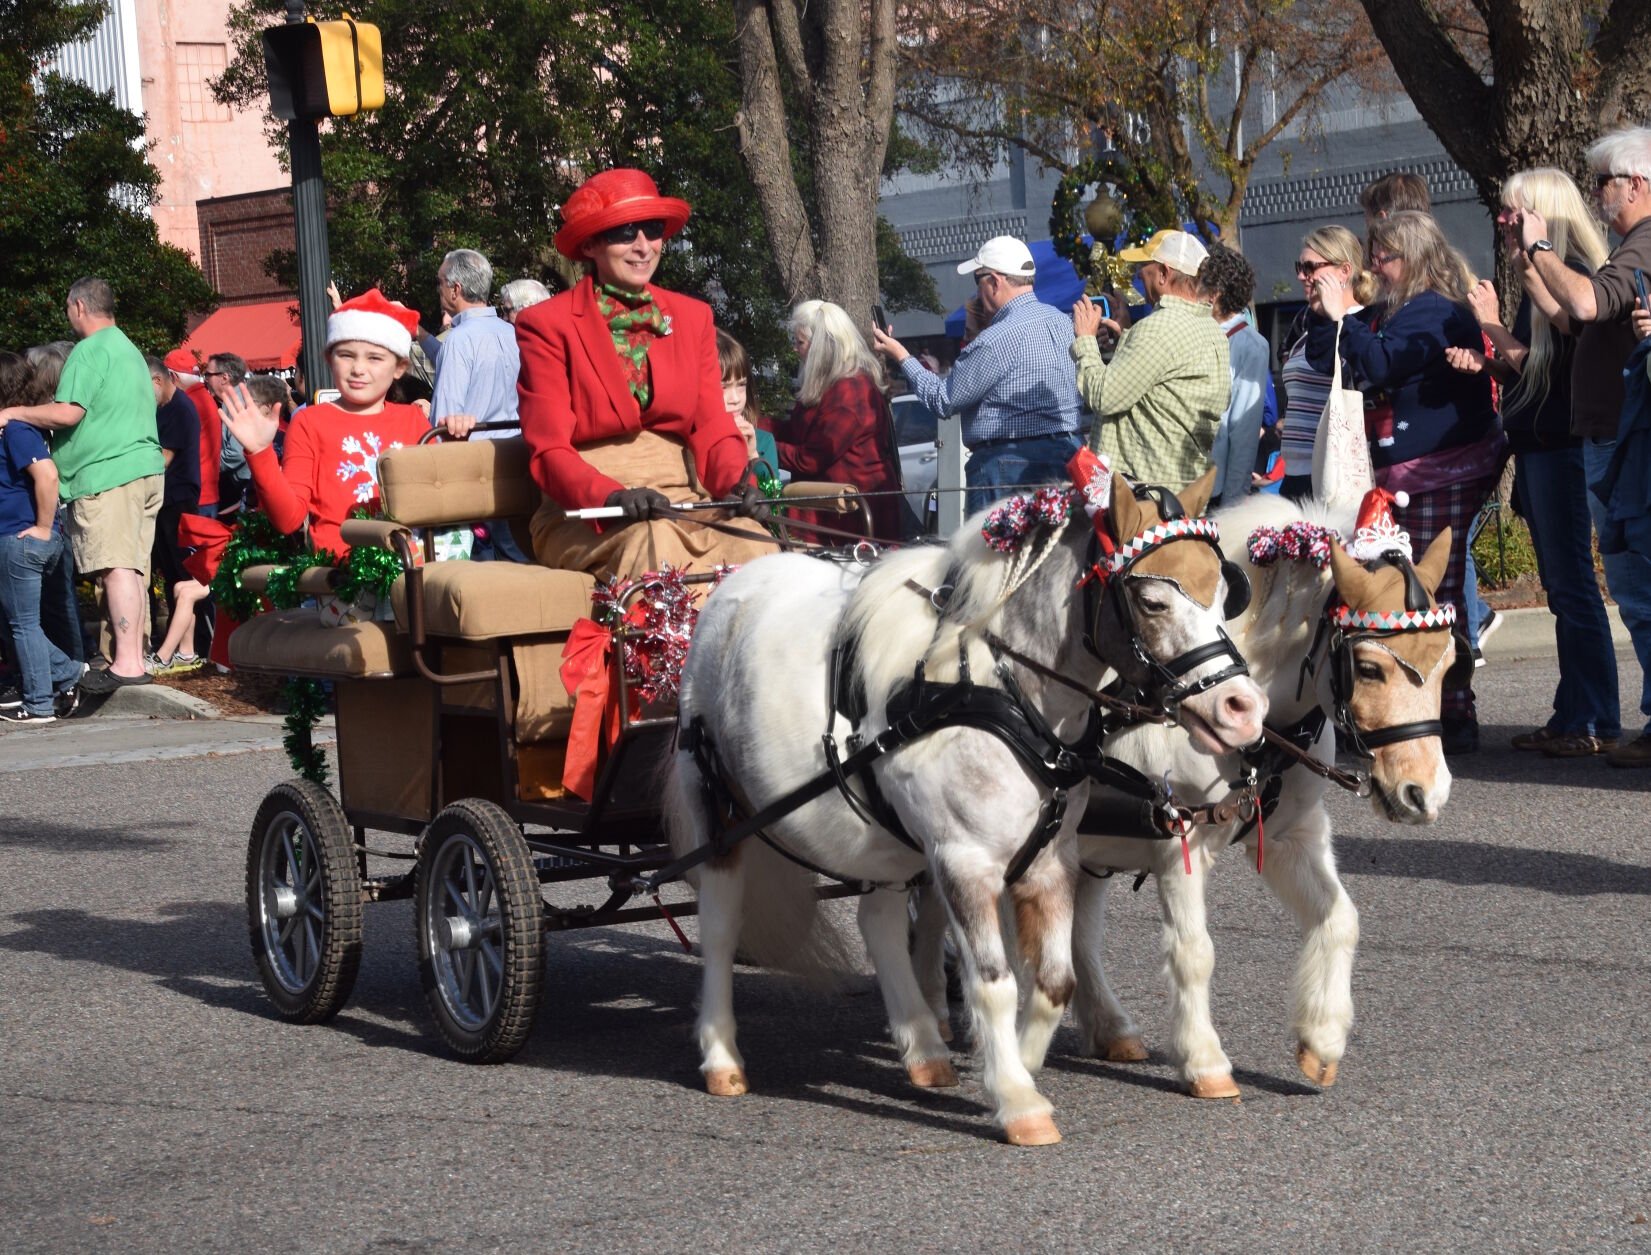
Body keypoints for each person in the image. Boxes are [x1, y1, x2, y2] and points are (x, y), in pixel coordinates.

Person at [515, 167, 775, 583]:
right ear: (592, 243)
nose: (643, 247)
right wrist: (611, 495)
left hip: (683, 502)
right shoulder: (546, 324)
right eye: (624, 232)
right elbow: (549, 450)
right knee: (654, 545)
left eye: (652, 230)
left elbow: (712, 424)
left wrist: (735, 482)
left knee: (754, 542)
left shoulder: (693, 317)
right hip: (584, 513)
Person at [1309, 211, 1500, 754]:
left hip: (1444, 464)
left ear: (1412, 257)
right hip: (1405, 468)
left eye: (1384, 255)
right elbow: (1332, 357)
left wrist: (1344, 312)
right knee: (1406, 586)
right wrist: (1331, 317)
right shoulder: (1393, 310)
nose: (1374, 264)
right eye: (1372, 252)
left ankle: (1455, 712)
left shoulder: (1435, 313)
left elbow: (1381, 365)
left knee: (1434, 587)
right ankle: (1423, 705)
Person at [1446, 168, 1619, 758]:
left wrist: (1492, 323)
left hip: (1563, 449)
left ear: (1543, 214)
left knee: (1572, 587)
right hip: (1542, 443)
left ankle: (1594, 718)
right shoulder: (1536, 275)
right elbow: (1535, 370)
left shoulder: (1573, 280)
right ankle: (1573, 712)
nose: (1503, 221)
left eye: (1513, 213)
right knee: (1562, 587)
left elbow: (1566, 369)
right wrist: (1488, 360)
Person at [1516, 126, 1651, 767]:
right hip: (1612, 438)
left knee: (1638, 588)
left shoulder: (1643, 245)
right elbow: (1573, 320)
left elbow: (1588, 303)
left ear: (1638, 185)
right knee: (1632, 589)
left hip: (1625, 443)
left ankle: (1628, 721)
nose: (1599, 192)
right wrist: (1530, 269)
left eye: (1607, 181)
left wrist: (1542, 246)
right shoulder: (1631, 248)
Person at [217, 289, 477, 557]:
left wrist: (457, 443)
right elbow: (289, 520)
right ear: (330, 360)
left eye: (374, 358)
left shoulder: (413, 420)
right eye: (346, 355)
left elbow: (443, 498)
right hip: (341, 582)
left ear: (399, 367)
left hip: (411, 573)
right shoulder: (309, 422)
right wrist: (261, 453)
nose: (358, 369)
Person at [0, 278, 164, 692]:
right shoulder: (127, 349)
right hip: (143, 468)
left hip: (107, 474)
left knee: (116, 567)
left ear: (77, 307)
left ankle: (127, 663)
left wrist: (15, 412)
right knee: (132, 567)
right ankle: (132, 656)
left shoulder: (90, 351)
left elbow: (69, 413)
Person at [871, 235, 1085, 514]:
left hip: (1004, 465)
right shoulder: (1063, 323)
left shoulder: (995, 339)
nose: (976, 294)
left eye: (978, 280)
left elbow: (943, 400)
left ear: (995, 282)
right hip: (1069, 455)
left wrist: (901, 355)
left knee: (988, 557)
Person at [1071, 229, 1230, 489]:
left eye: (1145, 267)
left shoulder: (1158, 328)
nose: (1137, 276)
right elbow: (1162, 384)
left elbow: (1104, 396)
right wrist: (1127, 336)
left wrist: (1085, 339)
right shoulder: (1211, 328)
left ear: (1164, 274)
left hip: (1144, 500)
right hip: (1181, 490)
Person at [0, 351, 85, 723]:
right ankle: (69, 673)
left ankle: (38, 705)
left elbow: (47, 475)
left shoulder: (17, 429)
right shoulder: (11, 427)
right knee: (14, 623)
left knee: (23, 625)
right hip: (15, 537)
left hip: (20, 539)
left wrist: (43, 528)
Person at [776, 301, 903, 542]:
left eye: (799, 342)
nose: (795, 349)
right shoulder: (831, 385)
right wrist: (751, 424)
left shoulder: (849, 393)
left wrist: (761, 445)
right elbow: (795, 432)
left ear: (820, 347)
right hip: (835, 512)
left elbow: (810, 459)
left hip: (851, 520)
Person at [1277, 226, 1375, 501]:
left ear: (1344, 271)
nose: (1300, 276)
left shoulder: (1362, 325)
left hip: (1332, 475)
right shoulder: (1309, 326)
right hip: (1295, 474)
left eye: (1309, 267)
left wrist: (1336, 316)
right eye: (1300, 266)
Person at [1199, 244, 1268, 507]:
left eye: (1198, 285)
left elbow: (1244, 431)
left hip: (1214, 491)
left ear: (1214, 295)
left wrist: (1232, 506)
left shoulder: (1251, 345)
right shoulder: (1194, 332)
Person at [431, 248, 519, 437]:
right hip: (519, 452)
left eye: (440, 283)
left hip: (474, 458)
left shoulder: (458, 340)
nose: (438, 289)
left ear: (456, 289)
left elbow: (443, 425)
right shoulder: (513, 334)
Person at [146, 357, 202, 643]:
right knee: (169, 572)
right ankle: (175, 637)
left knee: (183, 574)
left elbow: (163, 459)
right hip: (165, 501)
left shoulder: (180, 408)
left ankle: (193, 642)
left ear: (158, 380)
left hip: (178, 501)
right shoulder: (163, 408)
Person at [166, 349, 222, 519]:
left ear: (173, 377)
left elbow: (167, 455)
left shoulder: (186, 404)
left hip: (194, 496)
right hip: (206, 493)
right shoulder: (204, 398)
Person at [716, 330, 778, 469]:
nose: (736, 399)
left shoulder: (763, 442)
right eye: (723, 387)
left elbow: (772, 490)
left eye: (741, 385)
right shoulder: (689, 442)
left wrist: (753, 456)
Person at [203, 352, 252, 512]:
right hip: (243, 485)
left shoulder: (238, 403)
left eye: (208, 375)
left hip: (248, 487)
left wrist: (208, 466)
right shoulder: (232, 400)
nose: (205, 379)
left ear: (224, 377)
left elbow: (237, 453)